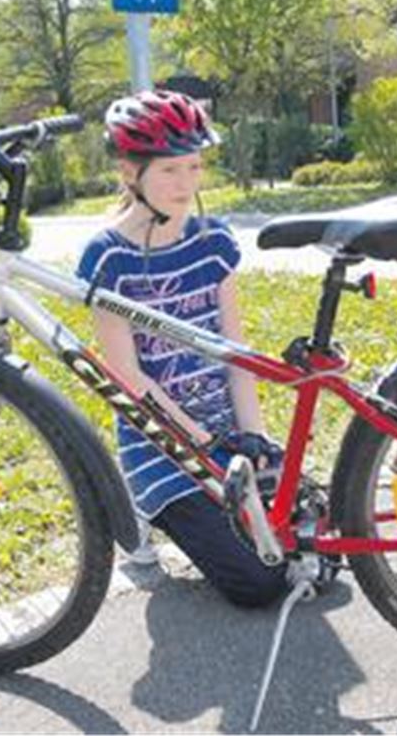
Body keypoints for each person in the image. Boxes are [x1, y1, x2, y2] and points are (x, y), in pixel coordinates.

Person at [75, 90, 287, 607]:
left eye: (194, 167)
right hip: (164, 447)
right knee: (260, 583)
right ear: (130, 172)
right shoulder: (108, 259)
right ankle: (141, 508)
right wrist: (204, 445)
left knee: (313, 545)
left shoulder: (213, 242)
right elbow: (129, 379)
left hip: (228, 436)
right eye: (170, 170)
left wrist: (253, 437)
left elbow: (234, 351)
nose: (186, 184)